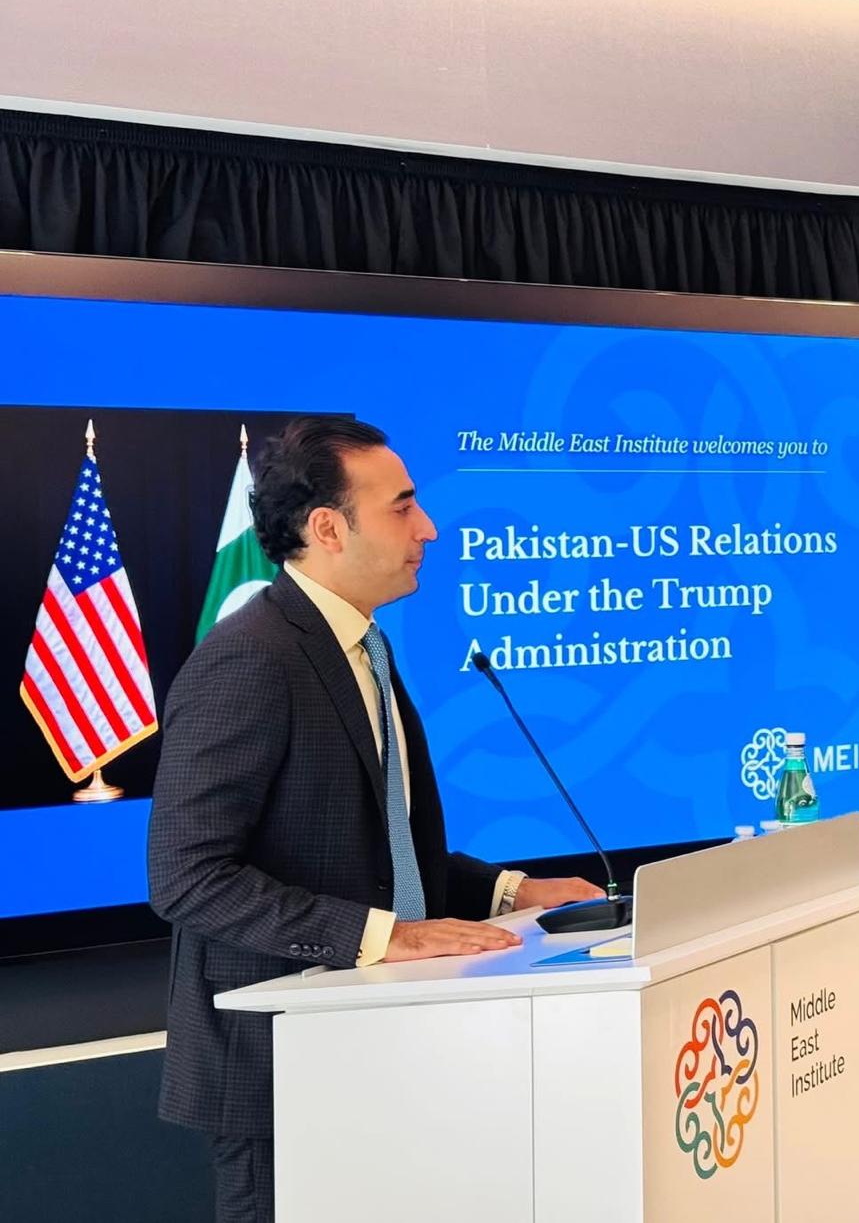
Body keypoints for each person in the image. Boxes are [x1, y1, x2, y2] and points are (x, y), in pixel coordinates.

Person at [148, 417, 604, 1221]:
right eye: (402, 506)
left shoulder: (365, 648)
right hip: (282, 1069)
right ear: (328, 528)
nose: (428, 527)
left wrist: (510, 892)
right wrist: (384, 936)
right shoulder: (249, 657)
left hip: (386, 1050)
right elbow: (187, 876)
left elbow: (376, 845)